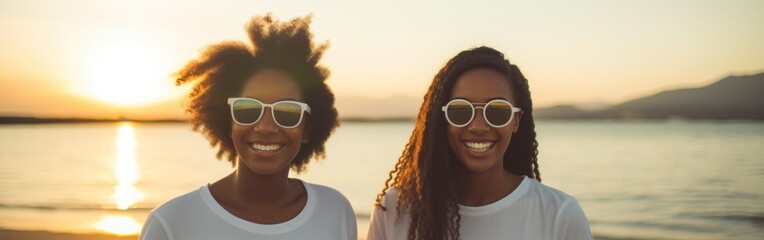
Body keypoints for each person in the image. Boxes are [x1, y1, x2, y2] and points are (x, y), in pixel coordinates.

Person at [139, 14, 356, 240]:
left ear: (307, 129)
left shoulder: (334, 211)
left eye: (288, 112)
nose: (265, 126)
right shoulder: (172, 222)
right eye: (248, 109)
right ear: (228, 122)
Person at [367, 46, 592, 240]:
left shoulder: (559, 214)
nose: (478, 126)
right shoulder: (394, 210)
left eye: (496, 111)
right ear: (441, 119)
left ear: (516, 120)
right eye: (460, 110)